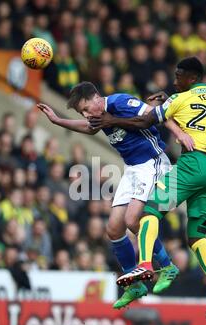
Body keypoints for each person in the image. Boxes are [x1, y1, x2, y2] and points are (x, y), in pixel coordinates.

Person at [89, 57, 206, 321]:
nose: (175, 81)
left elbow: (145, 121)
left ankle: (144, 265)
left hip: (191, 164)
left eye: (179, 76)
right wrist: (173, 116)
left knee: (148, 213)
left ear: (193, 78)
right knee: (197, 237)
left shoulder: (179, 100)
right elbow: (182, 112)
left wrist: (110, 121)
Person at [38, 82, 187, 309]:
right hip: (131, 169)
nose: (86, 114)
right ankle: (134, 285)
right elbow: (90, 128)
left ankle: (166, 266)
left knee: (132, 220)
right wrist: (58, 120)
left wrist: (179, 134)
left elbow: (156, 114)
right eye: (82, 112)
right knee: (114, 228)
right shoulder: (98, 116)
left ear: (97, 98)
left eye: (86, 108)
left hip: (152, 162)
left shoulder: (119, 102)